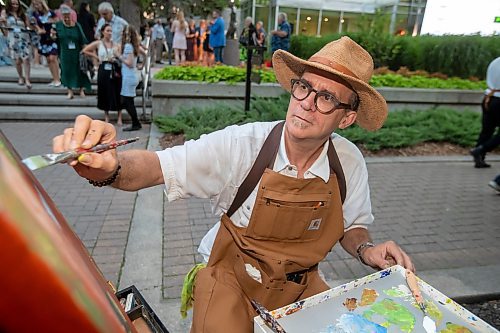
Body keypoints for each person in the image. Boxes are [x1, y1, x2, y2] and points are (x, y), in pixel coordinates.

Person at [52, 36, 414, 332]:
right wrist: (109, 167)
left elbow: (351, 226)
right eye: (304, 88)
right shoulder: (242, 146)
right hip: (232, 281)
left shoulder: (348, 161)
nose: (306, 104)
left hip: (301, 286)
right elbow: (156, 167)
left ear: (347, 117)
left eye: (326, 98)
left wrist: (367, 250)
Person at [82, 23, 122, 125]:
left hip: (114, 68)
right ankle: (106, 116)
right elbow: (85, 50)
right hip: (103, 68)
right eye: (107, 31)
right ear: (103, 32)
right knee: (104, 91)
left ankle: (119, 116)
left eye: (111, 31)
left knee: (117, 91)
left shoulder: (116, 44)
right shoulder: (99, 43)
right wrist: (95, 56)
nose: (109, 33)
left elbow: (121, 55)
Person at [53, 5, 90, 99]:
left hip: (77, 52)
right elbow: (54, 38)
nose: (66, 17)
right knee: (66, 71)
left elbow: (83, 39)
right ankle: (70, 91)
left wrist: (85, 51)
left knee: (80, 70)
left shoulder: (77, 25)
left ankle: (81, 90)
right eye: (64, 15)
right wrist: (52, 35)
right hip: (65, 52)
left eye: (68, 15)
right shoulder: (58, 25)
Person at [470, 56, 500, 168]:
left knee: (487, 130)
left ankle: (479, 158)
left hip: (488, 98)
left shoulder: (495, 61)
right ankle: (481, 149)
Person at [119, 25, 145, 131]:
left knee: (126, 101)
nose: (125, 36)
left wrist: (119, 56)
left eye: (127, 34)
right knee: (128, 101)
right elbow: (145, 54)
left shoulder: (128, 46)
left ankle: (136, 123)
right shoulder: (135, 46)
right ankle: (135, 122)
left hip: (129, 77)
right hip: (131, 76)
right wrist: (142, 65)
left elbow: (129, 63)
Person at [31, 0, 60, 87]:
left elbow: (57, 21)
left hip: (52, 37)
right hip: (44, 38)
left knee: (53, 58)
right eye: (35, 5)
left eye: (38, 4)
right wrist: (38, 29)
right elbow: (34, 25)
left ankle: (58, 79)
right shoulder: (35, 15)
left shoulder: (50, 13)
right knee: (48, 59)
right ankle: (54, 79)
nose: (37, 6)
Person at [4, 0, 32, 89]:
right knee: (17, 61)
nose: (15, 6)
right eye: (13, 4)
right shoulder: (6, 14)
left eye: (17, 4)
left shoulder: (23, 15)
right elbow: (5, 29)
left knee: (26, 59)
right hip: (13, 39)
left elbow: (28, 27)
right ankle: (20, 77)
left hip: (23, 38)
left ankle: (27, 79)